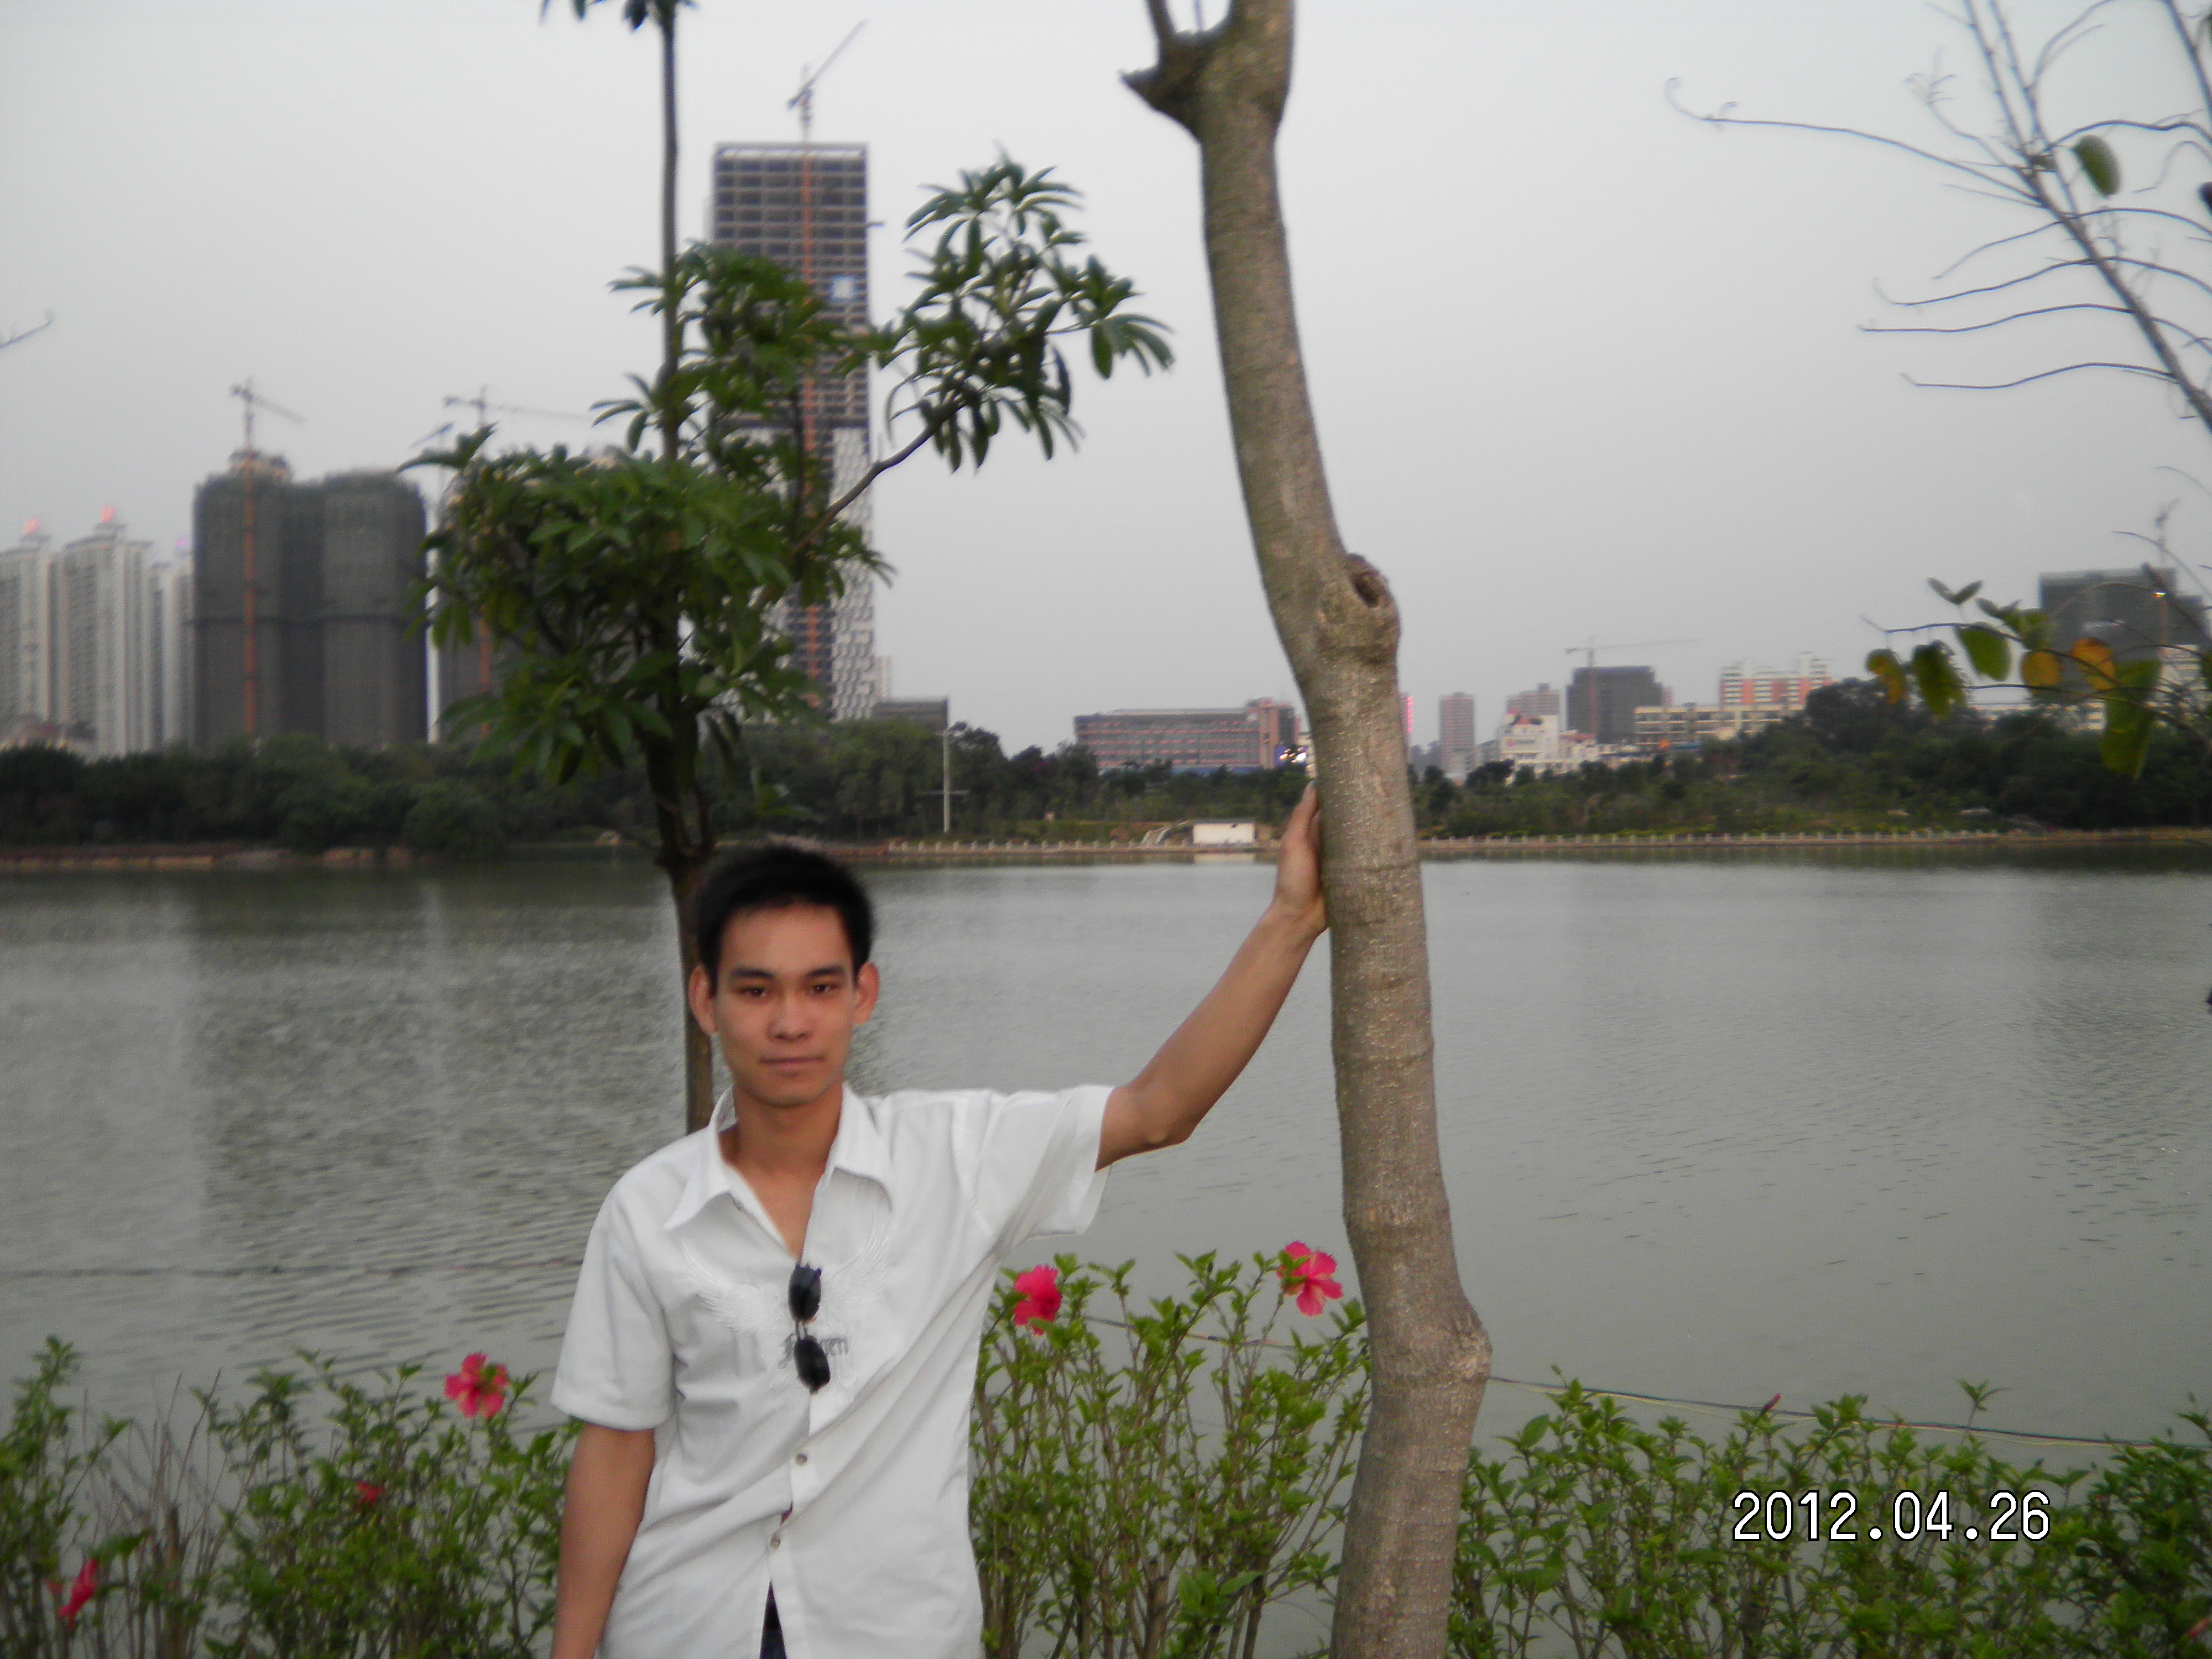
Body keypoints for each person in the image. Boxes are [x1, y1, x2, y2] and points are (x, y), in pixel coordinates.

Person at [549, 789, 1327, 1659]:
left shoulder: (956, 1158)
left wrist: (1293, 919)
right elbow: (615, 1451)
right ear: (706, 999)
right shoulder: (648, 1209)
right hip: (688, 1628)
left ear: (863, 994)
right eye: (756, 990)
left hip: (892, 1633)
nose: (790, 1022)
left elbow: (1157, 1111)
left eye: (820, 987)